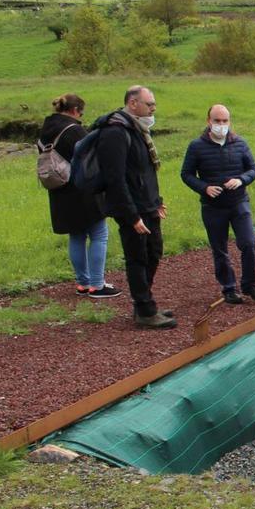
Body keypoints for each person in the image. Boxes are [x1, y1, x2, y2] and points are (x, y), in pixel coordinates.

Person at [99, 85, 173, 329]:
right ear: (133, 103)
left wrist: (157, 201)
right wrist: (131, 216)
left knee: (154, 252)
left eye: (153, 104)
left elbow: (145, 170)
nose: (153, 108)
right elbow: (115, 179)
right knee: (137, 257)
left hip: (147, 205)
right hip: (131, 209)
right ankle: (145, 310)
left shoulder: (138, 128)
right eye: (149, 104)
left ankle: (144, 303)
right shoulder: (116, 132)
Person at [181, 104, 255, 305]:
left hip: (238, 203)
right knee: (219, 249)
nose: (221, 125)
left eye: (225, 121)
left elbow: (253, 168)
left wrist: (242, 180)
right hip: (213, 207)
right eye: (217, 121)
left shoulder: (240, 143)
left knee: (248, 243)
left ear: (229, 122)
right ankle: (229, 288)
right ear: (208, 121)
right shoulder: (196, 146)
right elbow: (186, 174)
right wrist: (204, 188)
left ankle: (250, 285)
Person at [39, 94, 120, 299]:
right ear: (76, 110)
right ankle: (97, 285)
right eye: (81, 113)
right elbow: (91, 156)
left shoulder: (45, 130)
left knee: (76, 235)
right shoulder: (74, 130)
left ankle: (83, 283)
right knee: (99, 234)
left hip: (58, 190)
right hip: (82, 189)